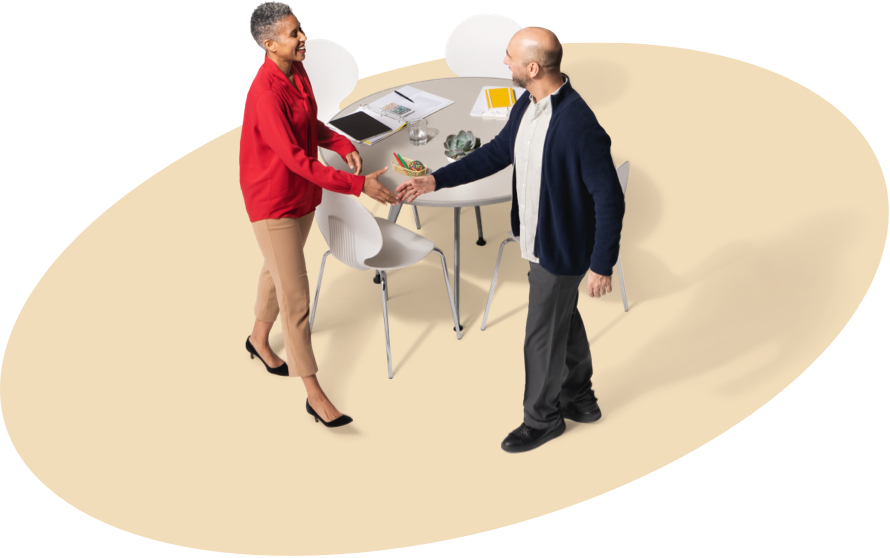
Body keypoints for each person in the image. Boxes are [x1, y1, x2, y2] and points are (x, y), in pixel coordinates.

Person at [397, 27, 625, 452]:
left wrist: (601, 264)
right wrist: (435, 181)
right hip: (538, 238)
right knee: (562, 318)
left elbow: (610, 197)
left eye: (510, 58)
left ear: (533, 68)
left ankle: (541, 420)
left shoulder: (579, 125)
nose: (505, 63)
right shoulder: (530, 104)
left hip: (561, 249)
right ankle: (580, 398)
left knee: (540, 334)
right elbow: (498, 152)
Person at [239, 2, 399, 427]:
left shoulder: (296, 70)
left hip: (302, 193)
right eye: (293, 35)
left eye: (301, 29)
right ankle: (313, 393)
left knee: (276, 271)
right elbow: (293, 157)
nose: (302, 38)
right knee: (296, 299)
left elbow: (309, 125)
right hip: (274, 200)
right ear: (269, 45)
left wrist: (343, 142)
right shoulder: (265, 92)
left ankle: (258, 338)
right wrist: (359, 185)